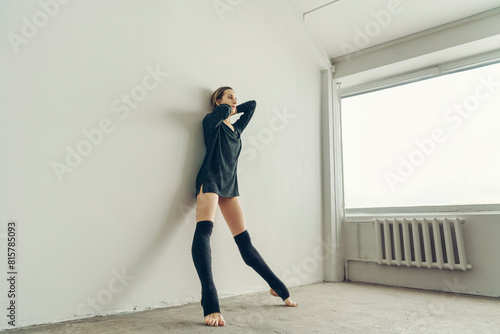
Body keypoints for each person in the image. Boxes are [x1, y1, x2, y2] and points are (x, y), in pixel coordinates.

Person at [191, 86, 298, 327]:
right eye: (229, 96)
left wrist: (235, 107)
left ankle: (276, 286)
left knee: (245, 242)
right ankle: (210, 301)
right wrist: (226, 108)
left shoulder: (235, 130)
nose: (234, 100)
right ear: (217, 101)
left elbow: (252, 106)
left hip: (229, 185)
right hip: (210, 181)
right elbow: (222, 113)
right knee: (204, 234)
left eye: (234, 97)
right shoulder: (211, 122)